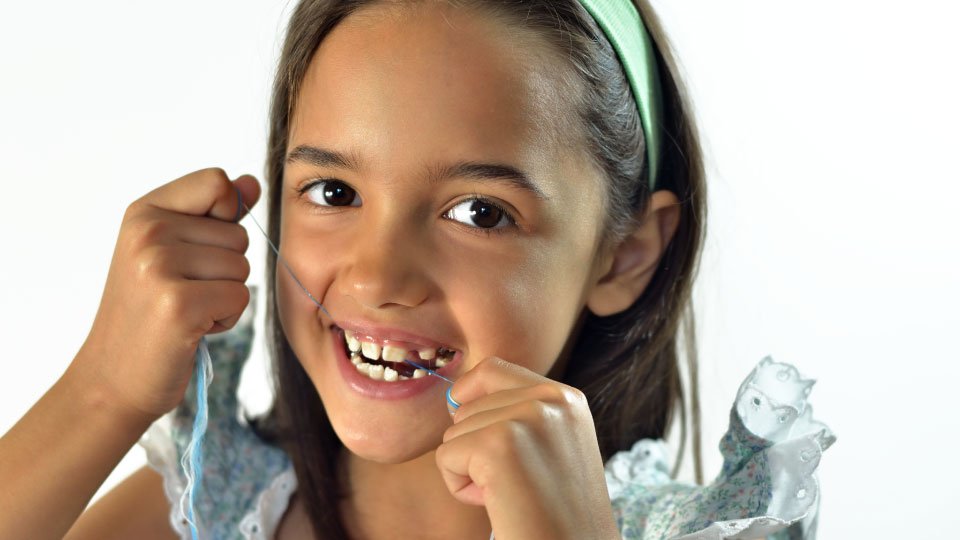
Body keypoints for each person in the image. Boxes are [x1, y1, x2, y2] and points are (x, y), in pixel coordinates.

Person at [0, 1, 835, 538]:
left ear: (625, 254)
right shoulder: (203, 511)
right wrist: (101, 393)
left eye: (480, 212)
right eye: (333, 190)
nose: (379, 275)